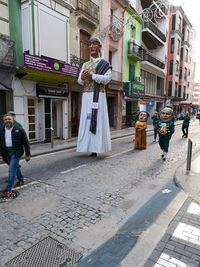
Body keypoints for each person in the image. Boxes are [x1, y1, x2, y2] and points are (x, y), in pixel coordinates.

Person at [77, 37, 112, 157]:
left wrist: (93, 75)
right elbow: (79, 81)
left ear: (99, 47)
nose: (91, 46)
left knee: (98, 120)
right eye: (90, 44)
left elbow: (107, 80)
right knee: (87, 121)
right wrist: (82, 78)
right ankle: (88, 147)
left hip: (99, 96)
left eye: (94, 44)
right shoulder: (85, 64)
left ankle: (97, 147)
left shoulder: (105, 64)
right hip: (87, 96)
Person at [0, 114, 30, 197]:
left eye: (9, 119)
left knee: (11, 169)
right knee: (15, 166)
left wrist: (28, 154)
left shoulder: (19, 129)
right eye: (6, 119)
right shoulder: (1, 130)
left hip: (16, 152)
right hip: (6, 153)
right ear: (4, 121)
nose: (7, 120)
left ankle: (8, 189)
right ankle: (21, 179)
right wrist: (1, 155)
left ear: (13, 120)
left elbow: (26, 143)